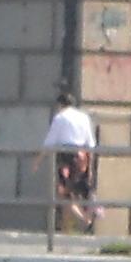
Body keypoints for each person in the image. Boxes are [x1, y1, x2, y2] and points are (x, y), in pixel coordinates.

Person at [44, 90, 101, 233]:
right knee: (84, 189)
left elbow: (50, 142)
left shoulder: (60, 117)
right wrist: (91, 167)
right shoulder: (84, 117)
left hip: (66, 157)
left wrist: (38, 160)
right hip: (83, 157)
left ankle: (82, 220)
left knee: (64, 194)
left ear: (60, 105)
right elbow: (91, 143)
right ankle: (87, 215)